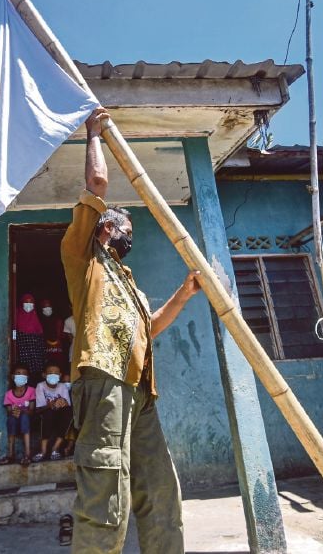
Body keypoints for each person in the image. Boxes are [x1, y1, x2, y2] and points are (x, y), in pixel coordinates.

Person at [61, 107, 201, 553]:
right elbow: (98, 185)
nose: (129, 237)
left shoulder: (128, 280)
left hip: (141, 390)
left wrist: (184, 292)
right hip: (102, 381)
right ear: (107, 227)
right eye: (127, 228)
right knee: (107, 496)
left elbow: (150, 328)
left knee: (159, 489)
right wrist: (93, 134)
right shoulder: (83, 258)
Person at [33, 363, 72, 462]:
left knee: (69, 412)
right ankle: (43, 450)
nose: (53, 374)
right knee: (48, 413)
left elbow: (67, 404)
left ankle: (55, 448)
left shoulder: (63, 386)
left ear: (60, 375)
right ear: (44, 375)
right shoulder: (40, 386)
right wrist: (51, 405)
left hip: (59, 415)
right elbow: (39, 409)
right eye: (50, 372)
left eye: (56, 373)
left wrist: (62, 402)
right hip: (45, 414)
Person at [1, 364, 35, 466]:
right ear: (13, 377)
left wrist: (22, 412)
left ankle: (27, 455)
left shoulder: (31, 391)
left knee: (24, 417)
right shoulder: (9, 394)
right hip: (15, 418)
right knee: (11, 420)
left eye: (24, 374)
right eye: (18, 374)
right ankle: (11, 454)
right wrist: (14, 412)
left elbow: (32, 410)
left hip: (28, 419)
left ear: (27, 377)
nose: (21, 376)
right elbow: (9, 411)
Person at [15, 293, 46, 384]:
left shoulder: (35, 317)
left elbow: (40, 340)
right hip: (22, 355)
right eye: (26, 302)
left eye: (31, 302)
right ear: (21, 303)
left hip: (36, 358)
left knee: (36, 379)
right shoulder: (16, 316)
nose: (29, 304)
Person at [40, 298, 67, 373]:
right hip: (45, 352)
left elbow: (64, 336)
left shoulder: (58, 321)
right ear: (41, 309)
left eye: (49, 307)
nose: (47, 309)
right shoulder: (39, 321)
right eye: (45, 307)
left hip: (59, 351)